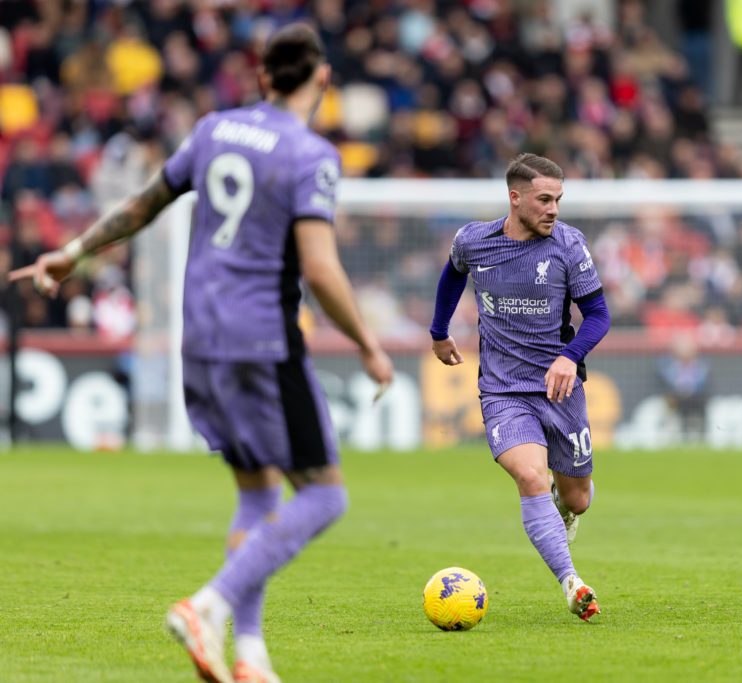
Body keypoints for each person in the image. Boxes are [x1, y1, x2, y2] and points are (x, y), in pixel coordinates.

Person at [9, 24, 393, 683]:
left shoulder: (214, 129)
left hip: (201, 339)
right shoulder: (310, 154)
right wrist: (368, 343)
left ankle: (250, 654)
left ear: (263, 77)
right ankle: (208, 604)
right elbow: (322, 270)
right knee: (325, 496)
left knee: (257, 491)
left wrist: (72, 254)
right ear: (322, 79)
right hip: (262, 341)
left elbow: (143, 205)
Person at [429, 153, 610, 621]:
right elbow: (452, 273)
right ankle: (572, 583)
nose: (554, 209)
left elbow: (598, 315)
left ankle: (563, 509)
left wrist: (570, 357)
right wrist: (439, 330)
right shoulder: (475, 241)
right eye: (544, 199)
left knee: (579, 499)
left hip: (559, 389)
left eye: (558, 200)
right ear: (515, 198)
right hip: (503, 391)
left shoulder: (569, 245)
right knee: (530, 476)